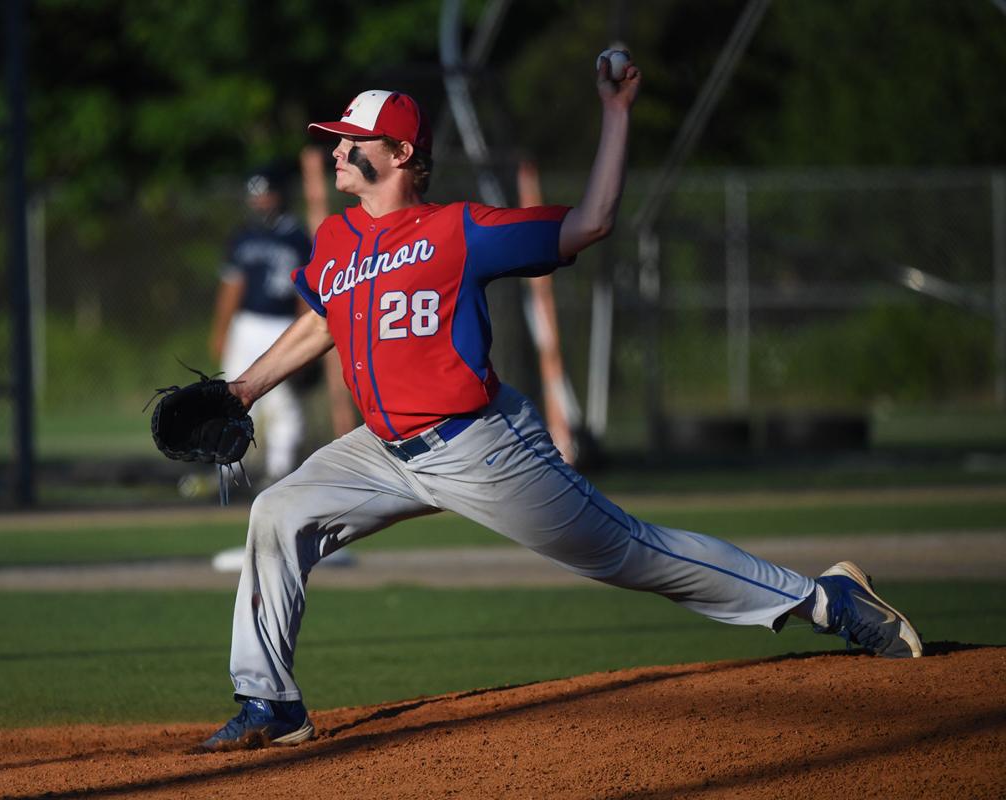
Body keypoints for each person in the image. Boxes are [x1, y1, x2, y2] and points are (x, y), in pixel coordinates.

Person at [196, 54, 923, 753]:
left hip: (478, 445)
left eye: (351, 142)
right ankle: (270, 702)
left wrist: (616, 113)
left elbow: (591, 221)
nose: (337, 152)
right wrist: (244, 388)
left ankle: (825, 600)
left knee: (628, 553)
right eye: (338, 140)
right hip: (380, 452)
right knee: (278, 512)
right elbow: (323, 320)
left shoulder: (461, 229)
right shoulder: (339, 237)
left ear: (397, 151)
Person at [207, 167, 311, 487]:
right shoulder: (244, 236)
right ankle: (228, 472)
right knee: (232, 395)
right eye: (256, 195)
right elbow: (231, 287)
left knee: (281, 401)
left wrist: (305, 334)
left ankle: (279, 470)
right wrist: (221, 330)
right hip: (247, 323)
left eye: (266, 193)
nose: (261, 201)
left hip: (281, 325)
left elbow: (306, 293)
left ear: (280, 194)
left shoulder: (297, 236)